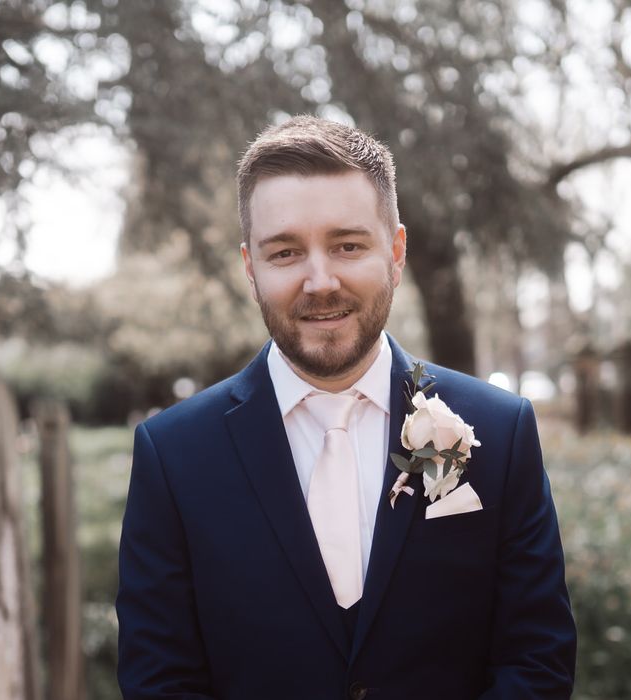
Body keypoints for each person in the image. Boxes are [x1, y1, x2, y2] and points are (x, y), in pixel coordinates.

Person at [116, 115, 576, 700]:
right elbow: (160, 679)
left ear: (397, 252)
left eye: (348, 245)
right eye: (284, 253)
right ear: (250, 268)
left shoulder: (501, 431)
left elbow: (537, 661)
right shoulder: (173, 455)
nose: (320, 280)